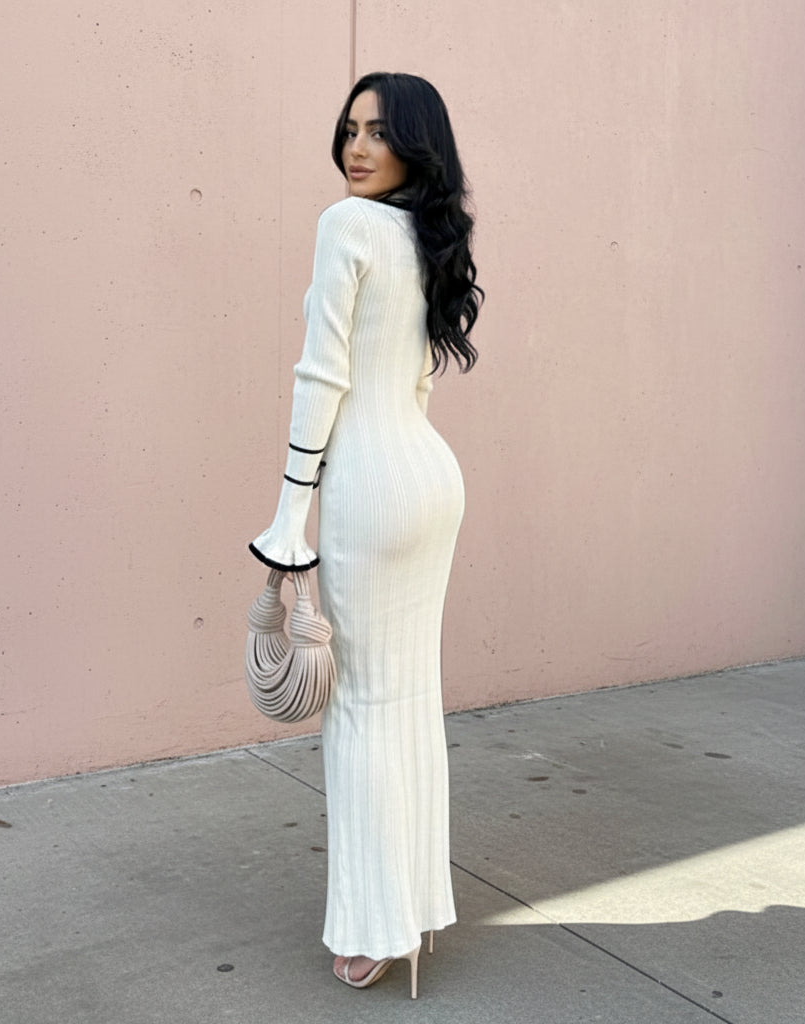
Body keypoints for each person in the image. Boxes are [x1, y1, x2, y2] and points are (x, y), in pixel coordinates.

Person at [249, 71, 482, 999]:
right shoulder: (425, 235)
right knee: (410, 698)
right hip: (430, 477)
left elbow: (322, 380)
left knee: (360, 710)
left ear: (415, 144)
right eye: (349, 129)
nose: (357, 147)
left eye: (380, 132)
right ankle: (414, 904)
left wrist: (287, 516)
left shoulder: (346, 226)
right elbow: (419, 379)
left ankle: (373, 923)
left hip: (368, 496)